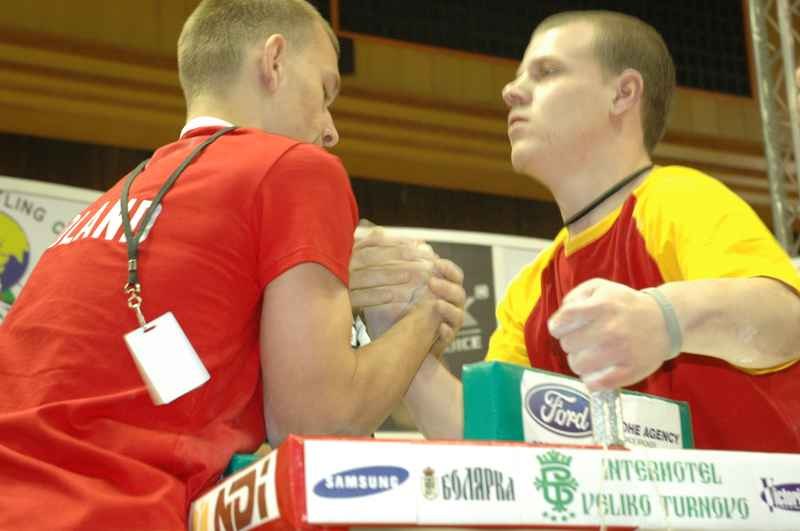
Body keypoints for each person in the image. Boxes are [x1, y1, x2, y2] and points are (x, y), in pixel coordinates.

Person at [0, 1, 465, 529]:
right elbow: (316, 422)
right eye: (325, 91)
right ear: (274, 62)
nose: (331, 129)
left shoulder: (110, 203)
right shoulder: (298, 169)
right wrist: (423, 317)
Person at [399, 10, 800, 453]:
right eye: (518, 78)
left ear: (623, 93)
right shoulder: (530, 290)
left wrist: (663, 320)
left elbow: (788, 319)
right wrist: (402, 344)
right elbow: (490, 439)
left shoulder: (677, 199)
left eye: (546, 71)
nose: (510, 91)